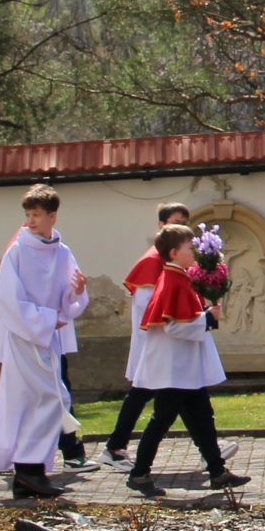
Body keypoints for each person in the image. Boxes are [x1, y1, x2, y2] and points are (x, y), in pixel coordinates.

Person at [126, 222, 251, 496]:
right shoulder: (172, 280)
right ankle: (139, 474)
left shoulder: (180, 278)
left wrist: (206, 315)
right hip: (173, 368)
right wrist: (207, 318)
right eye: (189, 247)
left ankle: (217, 471)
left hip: (184, 367)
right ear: (174, 252)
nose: (194, 252)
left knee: (203, 417)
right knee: (162, 419)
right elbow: (173, 327)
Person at [0, 185, 90, 500]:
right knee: (45, 400)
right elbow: (7, 299)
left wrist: (76, 292)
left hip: (47, 339)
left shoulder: (63, 253)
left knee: (50, 400)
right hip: (24, 338)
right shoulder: (17, 252)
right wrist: (45, 319)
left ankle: (29, 474)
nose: (30, 221)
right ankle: (29, 469)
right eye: (28, 215)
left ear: (52, 216)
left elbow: (68, 296)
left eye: (36, 215)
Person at [105, 200, 195, 466]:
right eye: (175, 222)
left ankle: (209, 452)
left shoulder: (177, 259)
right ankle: (116, 449)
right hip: (156, 341)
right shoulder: (152, 262)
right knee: (154, 395)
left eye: (184, 223)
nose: (181, 227)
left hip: (170, 341)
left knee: (183, 394)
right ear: (161, 225)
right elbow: (148, 308)